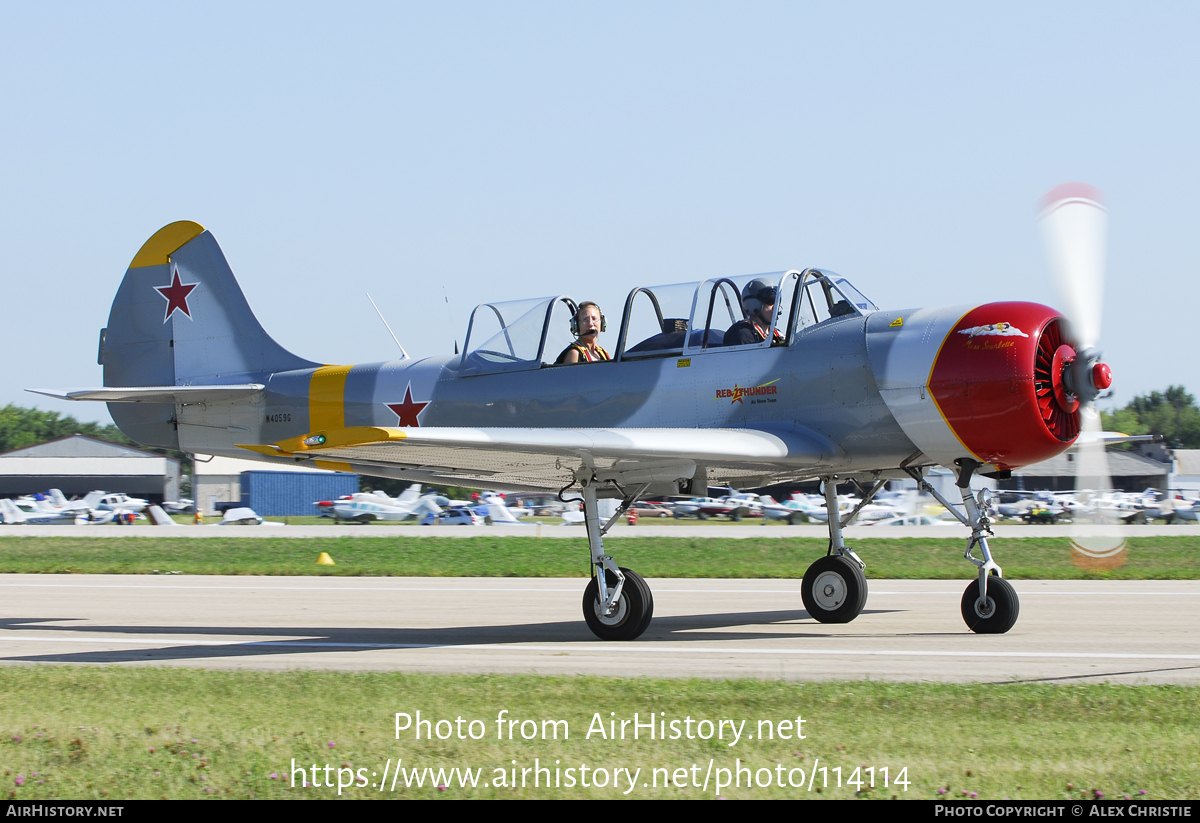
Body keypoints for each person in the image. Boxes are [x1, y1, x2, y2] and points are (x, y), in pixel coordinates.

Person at [723, 278, 785, 346]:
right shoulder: (743, 334)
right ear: (754, 304)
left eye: (777, 301)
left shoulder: (778, 335)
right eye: (770, 301)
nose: (775, 307)